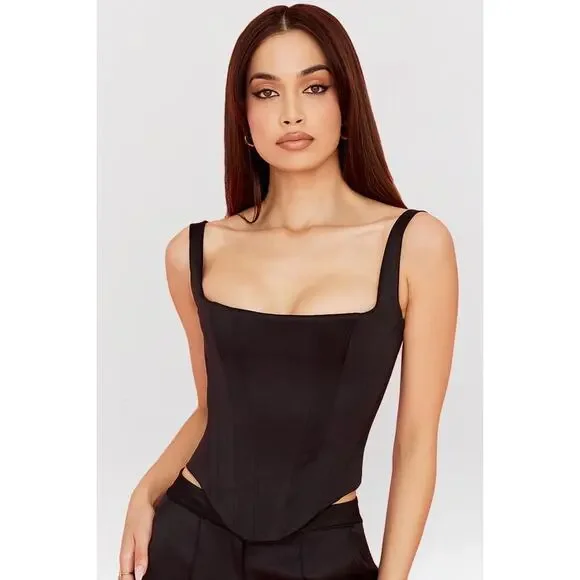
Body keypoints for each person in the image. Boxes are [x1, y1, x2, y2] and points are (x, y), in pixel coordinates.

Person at [118, 4, 458, 579]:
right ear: (244, 116)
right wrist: (144, 492)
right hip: (188, 541)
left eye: (315, 87)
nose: (291, 112)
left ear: (346, 103)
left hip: (323, 555)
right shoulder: (193, 252)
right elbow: (214, 410)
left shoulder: (415, 246)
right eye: (267, 92)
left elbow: (417, 441)